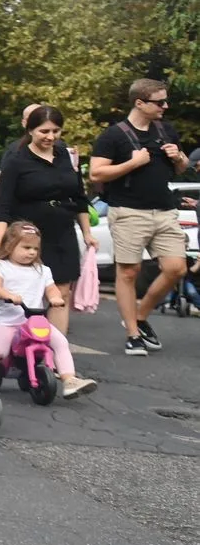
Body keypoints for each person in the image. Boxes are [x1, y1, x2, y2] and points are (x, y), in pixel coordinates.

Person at [89, 78, 190, 356]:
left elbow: (181, 168)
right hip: (128, 211)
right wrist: (132, 163)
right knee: (129, 272)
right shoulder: (114, 135)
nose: (165, 106)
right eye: (160, 102)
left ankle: (140, 315)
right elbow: (96, 173)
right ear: (139, 103)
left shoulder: (166, 131)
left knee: (176, 268)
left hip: (165, 210)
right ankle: (132, 334)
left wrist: (179, 157)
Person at [0, 105, 96, 336]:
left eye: (56, 131)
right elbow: (3, 207)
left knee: (61, 293)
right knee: (32, 292)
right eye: (44, 131)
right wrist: (2, 243)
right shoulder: (16, 160)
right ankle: (23, 344)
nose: (50, 137)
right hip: (29, 234)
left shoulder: (66, 157)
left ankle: (55, 353)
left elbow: (80, 198)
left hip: (63, 230)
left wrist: (87, 233)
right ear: (30, 130)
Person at [0, 222, 98, 398]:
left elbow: (51, 288)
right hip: (7, 322)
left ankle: (69, 380)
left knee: (60, 342)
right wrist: (7, 294)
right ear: (9, 246)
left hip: (33, 322)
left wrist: (55, 297)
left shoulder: (43, 270)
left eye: (35, 248)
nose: (31, 252)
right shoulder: (1, 267)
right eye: (26, 247)